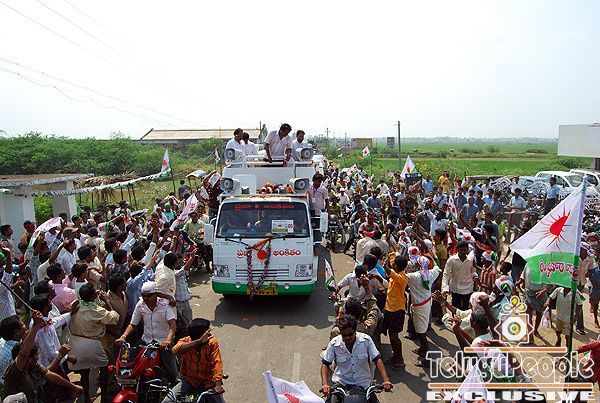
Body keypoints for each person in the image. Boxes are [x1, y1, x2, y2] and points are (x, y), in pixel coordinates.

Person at [2, 310, 83, 401]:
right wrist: (35, 325)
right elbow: (23, 355)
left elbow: (49, 375)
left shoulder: (32, 363)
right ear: (29, 359)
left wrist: (73, 387)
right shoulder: (17, 367)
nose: (39, 357)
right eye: (37, 355)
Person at [116, 281, 178, 385]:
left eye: (149, 296)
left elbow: (172, 324)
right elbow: (133, 324)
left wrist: (168, 340)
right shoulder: (140, 305)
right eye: (143, 295)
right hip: (146, 340)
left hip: (162, 342)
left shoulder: (166, 304)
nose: (145, 298)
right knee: (131, 362)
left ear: (155, 294)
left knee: (172, 373)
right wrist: (123, 336)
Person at [321, 315, 392, 401]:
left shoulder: (366, 340)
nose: (347, 337)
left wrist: (386, 380)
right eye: (344, 335)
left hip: (363, 385)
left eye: (350, 334)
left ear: (355, 330)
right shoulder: (334, 343)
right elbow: (325, 363)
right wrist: (325, 384)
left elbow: (377, 359)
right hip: (341, 384)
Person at [69, 283, 119, 402]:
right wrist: (107, 302)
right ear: (92, 296)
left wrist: (93, 295)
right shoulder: (97, 310)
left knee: (84, 372)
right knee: (105, 367)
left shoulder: (76, 305)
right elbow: (114, 318)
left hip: (76, 343)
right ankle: (104, 396)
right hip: (92, 344)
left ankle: (86, 397)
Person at [164, 318, 225, 402]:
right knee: (167, 401)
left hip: (208, 383)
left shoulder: (212, 343)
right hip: (189, 381)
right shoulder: (185, 341)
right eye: (207, 332)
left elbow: (217, 363)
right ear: (199, 336)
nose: (210, 334)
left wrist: (217, 385)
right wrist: (199, 341)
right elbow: (175, 350)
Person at [406, 256, 441, 360]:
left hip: (419, 307)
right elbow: (437, 268)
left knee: (421, 332)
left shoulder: (413, 276)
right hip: (426, 304)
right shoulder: (431, 273)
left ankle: (425, 355)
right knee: (423, 329)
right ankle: (422, 349)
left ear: (417, 265)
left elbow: (399, 276)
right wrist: (432, 258)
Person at [383, 253, 409, 370]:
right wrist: (390, 256)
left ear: (397, 267)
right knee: (391, 334)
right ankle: (395, 356)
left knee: (394, 336)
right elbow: (393, 258)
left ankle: (400, 360)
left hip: (397, 310)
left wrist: (385, 266)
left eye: (394, 264)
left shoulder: (402, 278)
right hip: (390, 308)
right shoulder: (397, 272)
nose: (392, 265)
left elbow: (391, 273)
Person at [442, 241, 478, 310]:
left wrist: (475, 276)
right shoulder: (451, 260)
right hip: (456, 288)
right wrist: (445, 287)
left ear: (467, 250)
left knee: (466, 310)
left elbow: (472, 270)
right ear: (457, 250)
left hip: (468, 288)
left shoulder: (470, 260)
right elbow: (446, 274)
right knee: (455, 309)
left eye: (464, 250)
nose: (463, 252)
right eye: (461, 250)